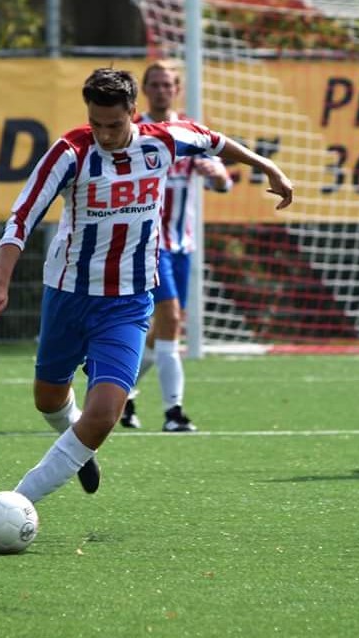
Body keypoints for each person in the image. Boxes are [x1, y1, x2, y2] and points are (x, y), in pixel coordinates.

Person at [0, 68, 294, 503]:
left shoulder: (161, 141)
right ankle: (77, 450)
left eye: (114, 124)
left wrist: (267, 166)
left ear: (132, 112)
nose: (105, 134)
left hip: (128, 300)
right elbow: (21, 217)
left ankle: (17, 502)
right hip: (68, 293)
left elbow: (213, 139)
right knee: (49, 398)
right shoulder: (70, 152)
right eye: (96, 124)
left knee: (105, 414)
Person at [119, 60, 233, 433]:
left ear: (177, 88)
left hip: (183, 245)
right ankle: (174, 413)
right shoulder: (136, 134)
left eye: (167, 84)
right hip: (151, 245)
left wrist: (217, 175)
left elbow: (223, 184)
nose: (161, 89)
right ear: (144, 90)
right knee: (169, 320)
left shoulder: (187, 133)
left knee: (162, 330)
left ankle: (122, 395)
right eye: (154, 83)